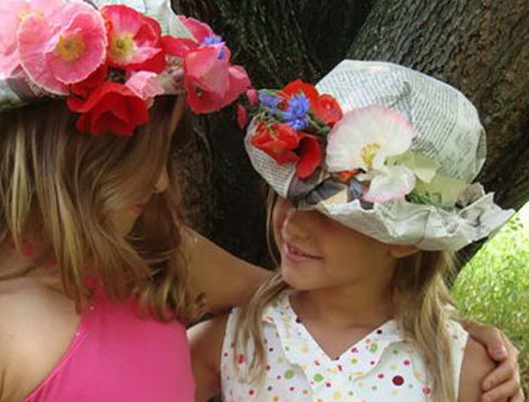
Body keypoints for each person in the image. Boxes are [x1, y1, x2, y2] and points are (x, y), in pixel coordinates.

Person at [0, 0, 267, 401]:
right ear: (63, 156)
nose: (162, 181)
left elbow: (283, 299)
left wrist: (205, 358)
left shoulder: (158, 256)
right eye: (141, 157)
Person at [190, 61, 525, 401]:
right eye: (290, 195)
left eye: (329, 213)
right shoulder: (237, 341)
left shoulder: (467, 371)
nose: (294, 222)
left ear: (405, 239)